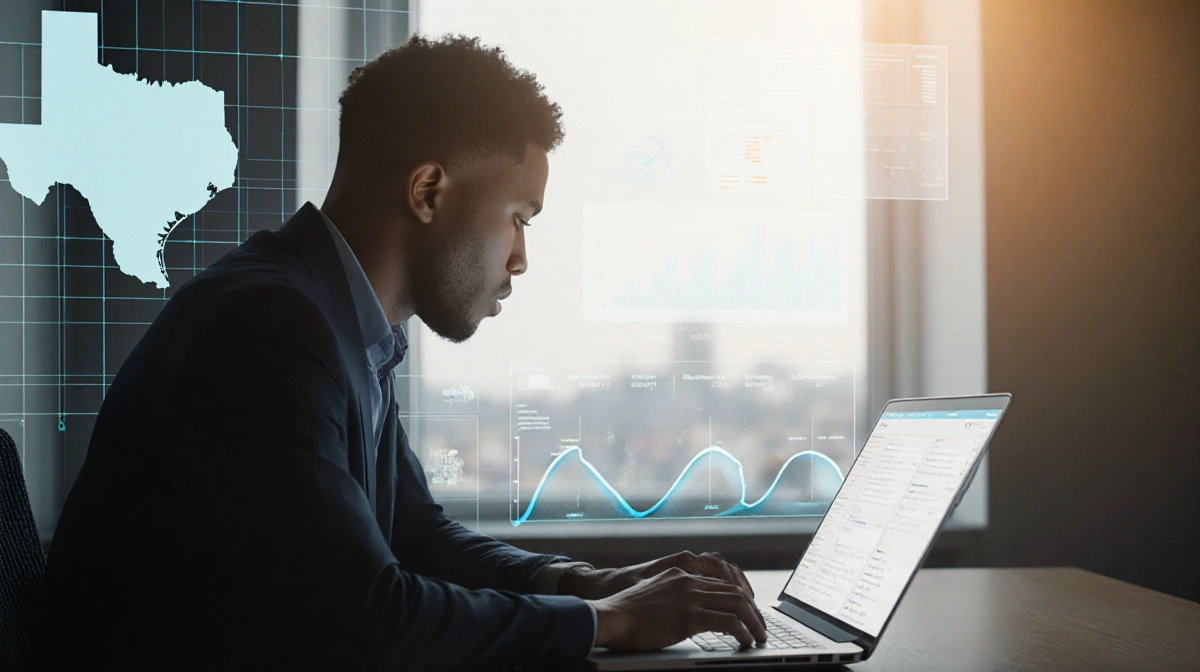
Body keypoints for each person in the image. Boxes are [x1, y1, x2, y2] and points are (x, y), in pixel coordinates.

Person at [25, 35, 767, 671]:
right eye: (518, 217)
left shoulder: (338, 322)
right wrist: (610, 622)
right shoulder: (267, 333)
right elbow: (362, 620)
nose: (521, 259)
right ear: (428, 191)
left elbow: (414, 537)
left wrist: (586, 584)